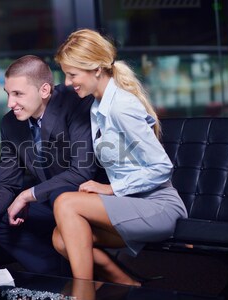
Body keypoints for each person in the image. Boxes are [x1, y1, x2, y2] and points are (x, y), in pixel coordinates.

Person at [51, 29, 188, 285]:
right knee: (61, 239)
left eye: (72, 74)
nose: (68, 83)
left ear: (96, 69)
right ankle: (129, 286)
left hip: (158, 207)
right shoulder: (97, 108)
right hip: (131, 206)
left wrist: (111, 189)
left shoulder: (121, 107)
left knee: (66, 203)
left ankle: (84, 293)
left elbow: (162, 167)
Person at [0, 55, 99, 275]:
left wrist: (28, 195)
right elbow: (6, 183)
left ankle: (83, 277)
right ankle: (56, 276)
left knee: (60, 197)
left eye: (18, 94)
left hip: (82, 202)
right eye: (8, 94)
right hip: (48, 202)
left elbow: (82, 171)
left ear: (45, 91)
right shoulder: (10, 123)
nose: (10, 103)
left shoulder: (75, 105)